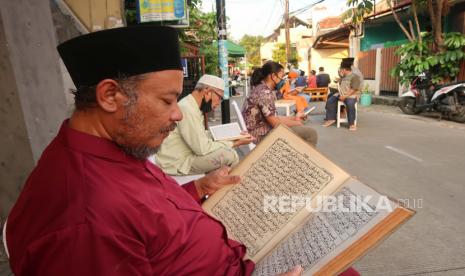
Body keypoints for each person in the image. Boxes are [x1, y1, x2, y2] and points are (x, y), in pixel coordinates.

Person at [5, 26, 304, 276]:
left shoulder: (113, 146)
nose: (177, 114)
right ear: (110, 96)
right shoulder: (84, 222)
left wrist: (198, 187)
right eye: (166, 100)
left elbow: (146, 216)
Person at [156, 74, 254, 175]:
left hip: (185, 156)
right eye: (220, 97)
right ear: (208, 92)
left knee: (227, 151)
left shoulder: (191, 106)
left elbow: (200, 136)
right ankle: (233, 188)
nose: (219, 102)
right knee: (229, 155)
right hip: (177, 163)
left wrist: (233, 136)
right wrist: (234, 143)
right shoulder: (187, 108)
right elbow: (202, 149)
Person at [242, 61, 318, 146]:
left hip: (259, 130)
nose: (282, 80)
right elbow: (275, 123)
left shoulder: (261, 89)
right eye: (281, 77)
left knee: (303, 127)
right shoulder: (264, 93)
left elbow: (273, 117)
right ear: (273, 76)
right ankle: (298, 158)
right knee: (311, 134)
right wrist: (296, 122)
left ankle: (295, 157)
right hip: (260, 135)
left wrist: (293, 118)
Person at [323, 60, 362, 131]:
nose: (340, 70)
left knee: (350, 104)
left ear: (344, 69)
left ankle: (352, 124)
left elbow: (354, 89)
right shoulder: (344, 77)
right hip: (341, 94)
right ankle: (331, 118)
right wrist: (339, 81)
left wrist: (345, 96)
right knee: (330, 100)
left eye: (341, 69)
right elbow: (341, 85)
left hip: (350, 95)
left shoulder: (355, 77)